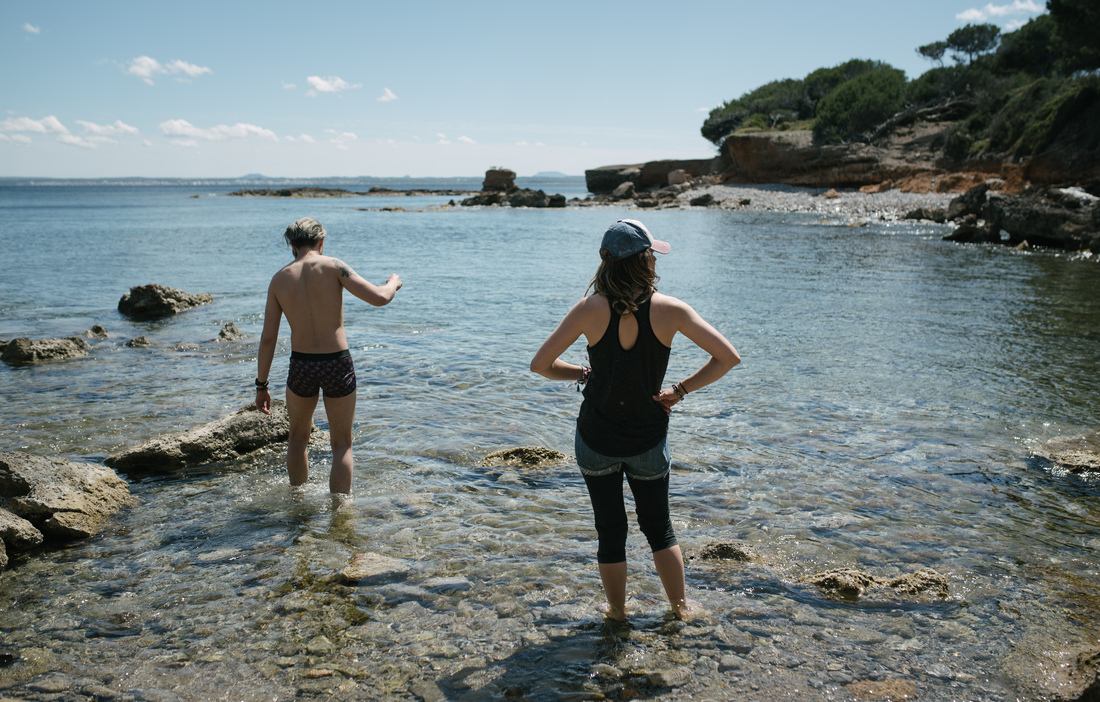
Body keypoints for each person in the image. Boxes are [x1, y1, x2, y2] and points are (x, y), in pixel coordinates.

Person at [530, 219, 740, 620]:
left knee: (610, 531)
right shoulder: (670, 310)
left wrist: (580, 373)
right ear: (646, 261)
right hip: (647, 437)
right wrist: (680, 391)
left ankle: (616, 613)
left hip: (596, 438)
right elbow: (727, 358)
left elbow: (541, 364)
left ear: (605, 262)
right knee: (659, 528)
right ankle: (680, 609)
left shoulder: (589, 309)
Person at [255, 217, 402, 495]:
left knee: (297, 439)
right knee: (342, 444)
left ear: (291, 244)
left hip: (301, 364)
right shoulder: (335, 267)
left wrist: (261, 385)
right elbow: (380, 298)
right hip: (337, 362)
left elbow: (268, 339)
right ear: (321, 241)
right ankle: (340, 513)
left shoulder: (279, 279)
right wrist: (393, 282)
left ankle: (298, 505)